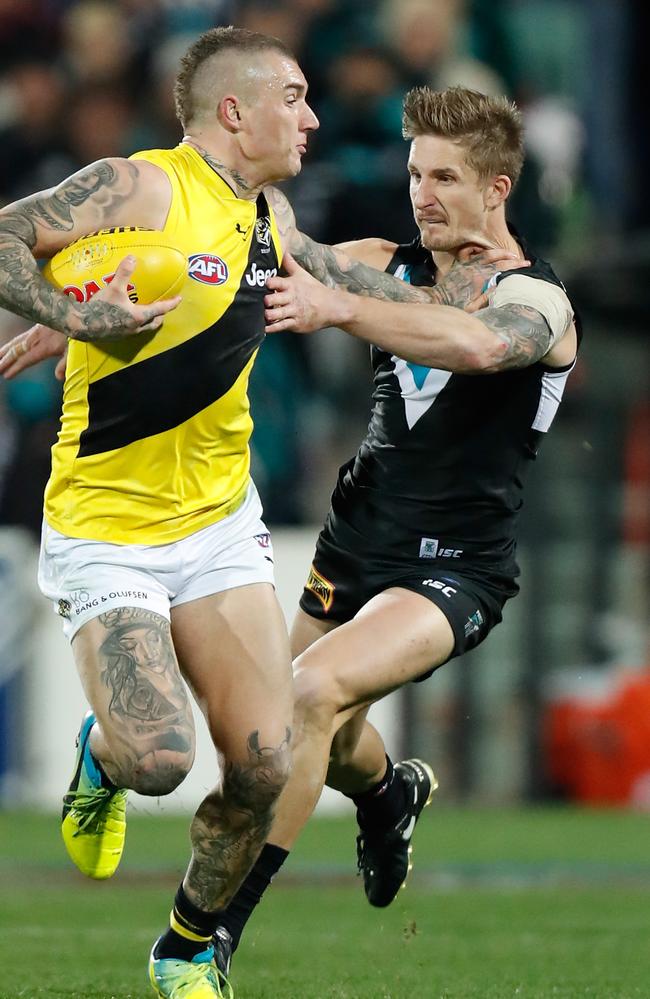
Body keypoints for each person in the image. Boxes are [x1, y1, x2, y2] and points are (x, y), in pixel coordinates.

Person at [199, 85, 580, 978]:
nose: (423, 193)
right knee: (292, 733)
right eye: (414, 172)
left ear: (499, 187)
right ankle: (387, 791)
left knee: (306, 694)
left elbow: (479, 346)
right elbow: (256, 254)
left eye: (446, 175)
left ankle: (211, 936)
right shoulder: (383, 262)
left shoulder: (541, 302)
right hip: (353, 542)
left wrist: (343, 308)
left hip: (455, 568)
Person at [0, 26, 322, 999]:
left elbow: (320, 277)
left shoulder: (270, 211)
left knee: (263, 768)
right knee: (156, 759)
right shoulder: (139, 188)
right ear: (236, 111)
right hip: (107, 529)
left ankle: (185, 945)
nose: (309, 118)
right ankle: (101, 755)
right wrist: (73, 316)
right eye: (293, 98)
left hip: (219, 523)